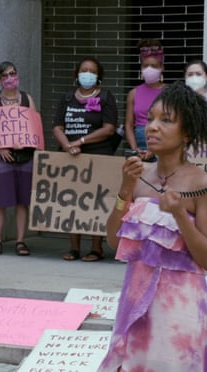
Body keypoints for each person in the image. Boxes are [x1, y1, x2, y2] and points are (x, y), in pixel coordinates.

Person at [98, 81, 207, 370]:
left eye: (166, 120)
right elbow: (115, 242)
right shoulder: (140, 176)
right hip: (135, 302)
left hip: (180, 312)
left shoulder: (203, 184)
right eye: (151, 118)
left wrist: (180, 214)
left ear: (187, 132)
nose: (152, 127)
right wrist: (125, 190)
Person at [52, 56, 118, 262]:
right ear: (76, 74)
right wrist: (66, 144)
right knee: (73, 201)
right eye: (84, 70)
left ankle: (96, 247)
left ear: (98, 76)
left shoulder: (106, 97)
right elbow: (57, 126)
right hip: (71, 157)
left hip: (99, 154)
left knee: (96, 202)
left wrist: (81, 140)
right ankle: (74, 247)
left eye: (91, 70)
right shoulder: (67, 97)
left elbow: (109, 128)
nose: (87, 74)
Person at [0, 61, 37, 256]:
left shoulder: (27, 99)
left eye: (12, 73)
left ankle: (21, 241)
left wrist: (26, 141)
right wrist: (0, 146)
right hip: (0, 155)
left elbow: (34, 126)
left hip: (24, 154)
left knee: (23, 199)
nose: (9, 78)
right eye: (4, 75)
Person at [124, 39, 165, 162]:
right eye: (145, 66)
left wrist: (154, 150)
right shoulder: (133, 93)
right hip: (139, 147)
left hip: (163, 145)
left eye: (154, 66)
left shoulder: (170, 92)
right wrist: (135, 148)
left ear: (162, 68)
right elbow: (129, 124)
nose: (149, 69)